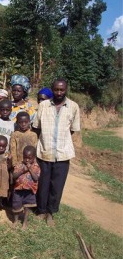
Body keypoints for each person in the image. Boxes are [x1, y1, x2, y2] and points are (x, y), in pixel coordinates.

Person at [32, 78, 80, 226]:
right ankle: (41, 210)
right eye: (56, 89)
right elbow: (36, 127)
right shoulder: (43, 106)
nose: (59, 92)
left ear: (66, 89)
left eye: (62, 90)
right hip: (44, 152)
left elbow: (72, 130)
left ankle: (51, 212)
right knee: (43, 184)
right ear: (52, 89)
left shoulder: (73, 107)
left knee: (57, 186)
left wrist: (61, 142)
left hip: (63, 154)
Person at [12, 145, 40, 230]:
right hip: (18, 191)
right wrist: (22, 171)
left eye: (29, 158)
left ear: (34, 158)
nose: (27, 160)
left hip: (29, 191)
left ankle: (25, 222)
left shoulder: (36, 167)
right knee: (16, 206)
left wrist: (30, 169)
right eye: (25, 157)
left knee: (28, 207)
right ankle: (16, 221)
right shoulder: (19, 165)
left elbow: (36, 178)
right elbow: (14, 176)